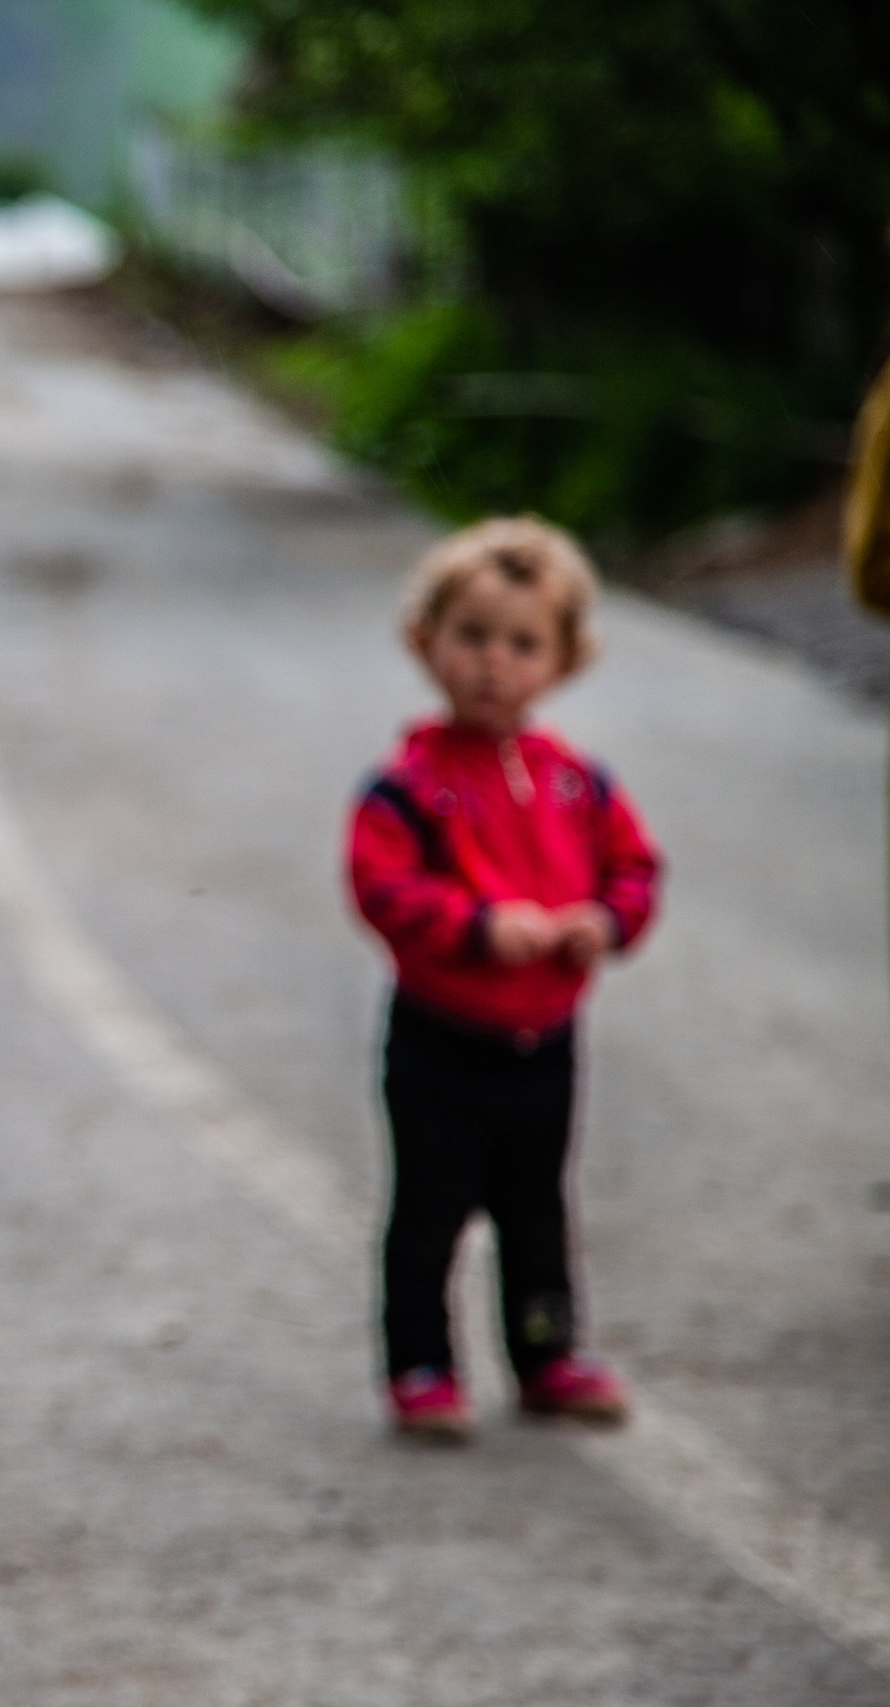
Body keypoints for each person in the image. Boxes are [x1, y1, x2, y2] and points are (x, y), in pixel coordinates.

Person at [345, 517, 661, 1440]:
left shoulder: (577, 784)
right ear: (427, 642)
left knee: (536, 1209)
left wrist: (607, 922)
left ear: (562, 661)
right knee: (430, 1211)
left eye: (523, 643)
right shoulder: (407, 786)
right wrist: (479, 928)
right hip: (441, 1039)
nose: (494, 662)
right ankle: (422, 1364)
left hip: (546, 1044)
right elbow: (383, 888)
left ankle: (546, 1351)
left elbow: (636, 871)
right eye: (472, 636)